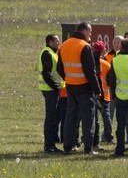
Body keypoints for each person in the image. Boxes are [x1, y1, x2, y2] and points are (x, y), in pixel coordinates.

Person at [57, 22, 102, 155]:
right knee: (88, 119)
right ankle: (88, 148)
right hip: (84, 88)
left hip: (71, 88)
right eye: (90, 32)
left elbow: (60, 67)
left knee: (70, 118)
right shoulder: (84, 46)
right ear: (84, 31)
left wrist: (68, 79)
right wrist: (97, 89)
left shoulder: (64, 45)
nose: (90, 35)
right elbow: (90, 71)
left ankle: (67, 146)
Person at [38, 34, 64, 153]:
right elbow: (46, 73)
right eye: (57, 41)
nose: (59, 42)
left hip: (53, 90)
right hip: (50, 90)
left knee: (54, 117)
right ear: (50, 42)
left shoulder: (54, 53)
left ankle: (52, 143)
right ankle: (49, 145)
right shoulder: (47, 53)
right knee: (50, 118)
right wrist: (55, 87)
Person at [92, 41, 113, 147]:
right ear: (104, 50)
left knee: (94, 118)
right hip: (105, 95)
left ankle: (94, 138)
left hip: (95, 94)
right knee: (106, 117)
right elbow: (110, 80)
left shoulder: (90, 63)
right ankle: (109, 137)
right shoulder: (107, 64)